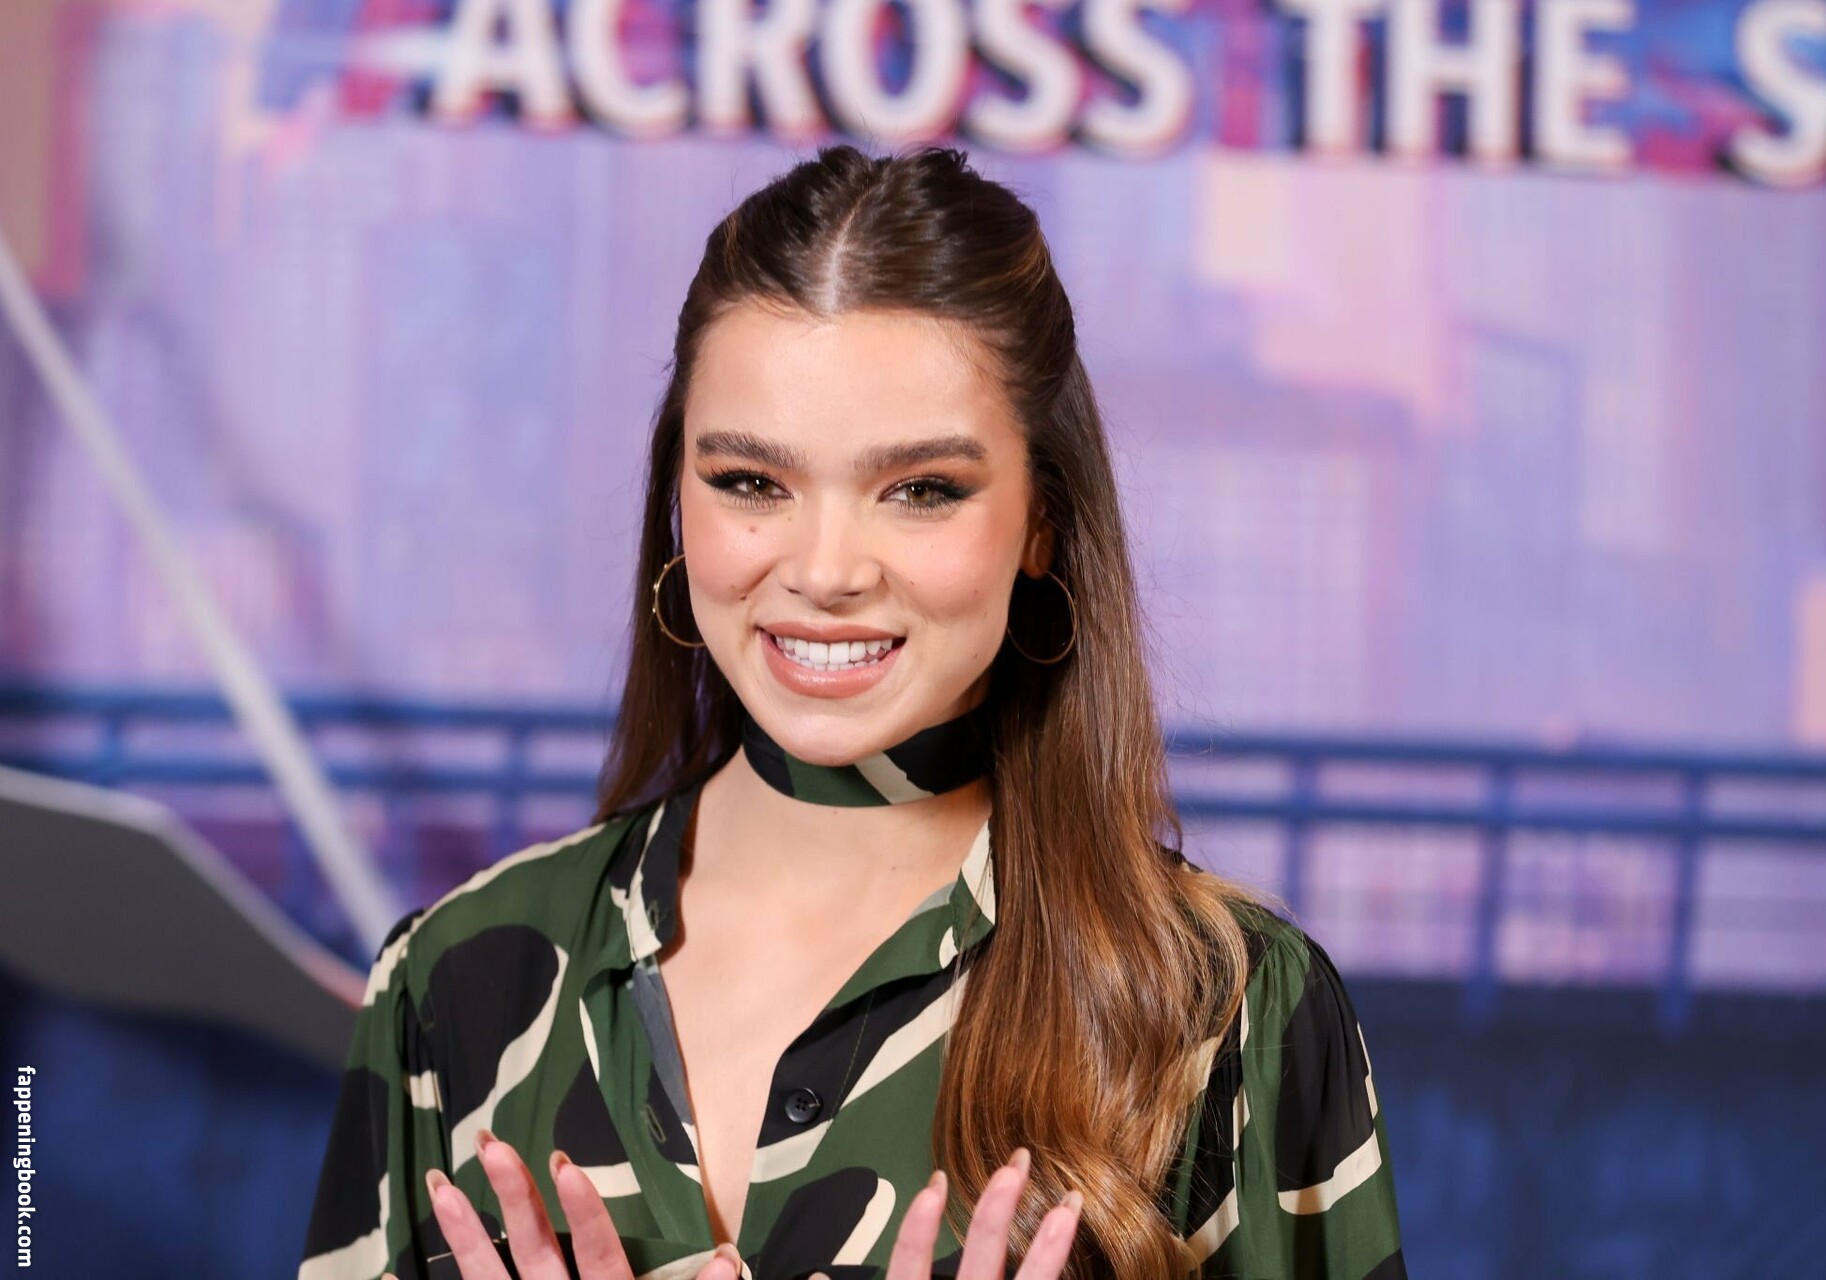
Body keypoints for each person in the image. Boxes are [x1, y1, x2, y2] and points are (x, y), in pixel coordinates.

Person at [298, 143, 1406, 1280]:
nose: (825, 571)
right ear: (677, 499)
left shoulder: (1228, 1013)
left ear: (1042, 519)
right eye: (750, 482)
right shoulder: (452, 983)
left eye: (921, 490)